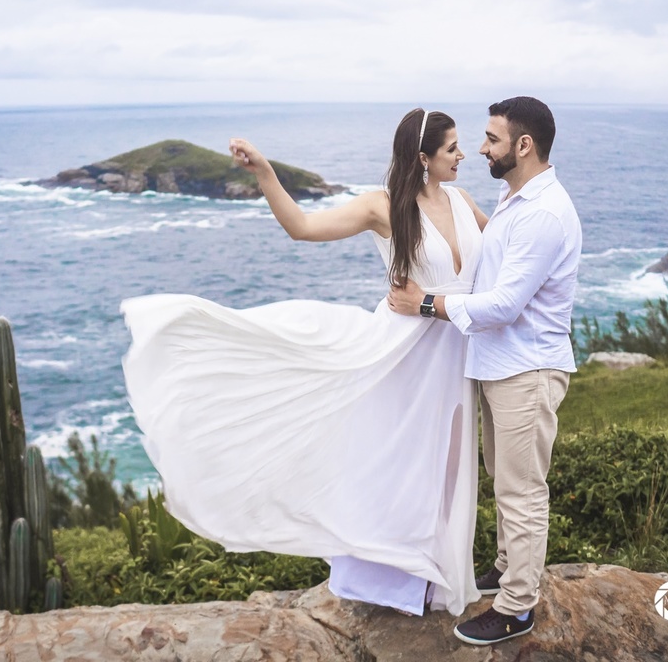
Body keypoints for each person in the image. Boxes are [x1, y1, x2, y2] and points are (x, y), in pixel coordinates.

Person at [121, 108, 489, 616]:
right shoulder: (382, 206)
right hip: (401, 352)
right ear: (424, 158)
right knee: (398, 460)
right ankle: (391, 582)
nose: (462, 155)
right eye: (452, 148)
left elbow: (508, 252)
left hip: (452, 352)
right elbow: (302, 227)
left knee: (445, 466)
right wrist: (266, 173)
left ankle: (433, 573)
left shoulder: (464, 201)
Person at [389, 96, 582, 645]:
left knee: (522, 491)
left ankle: (518, 605)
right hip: (502, 366)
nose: (480, 148)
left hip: (527, 370)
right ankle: (505, 568)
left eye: (492, 139)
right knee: (507, 480)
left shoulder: (542, 214)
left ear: (524, 146)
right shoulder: (513, 194)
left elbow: (503, 305)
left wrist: (427, 304)